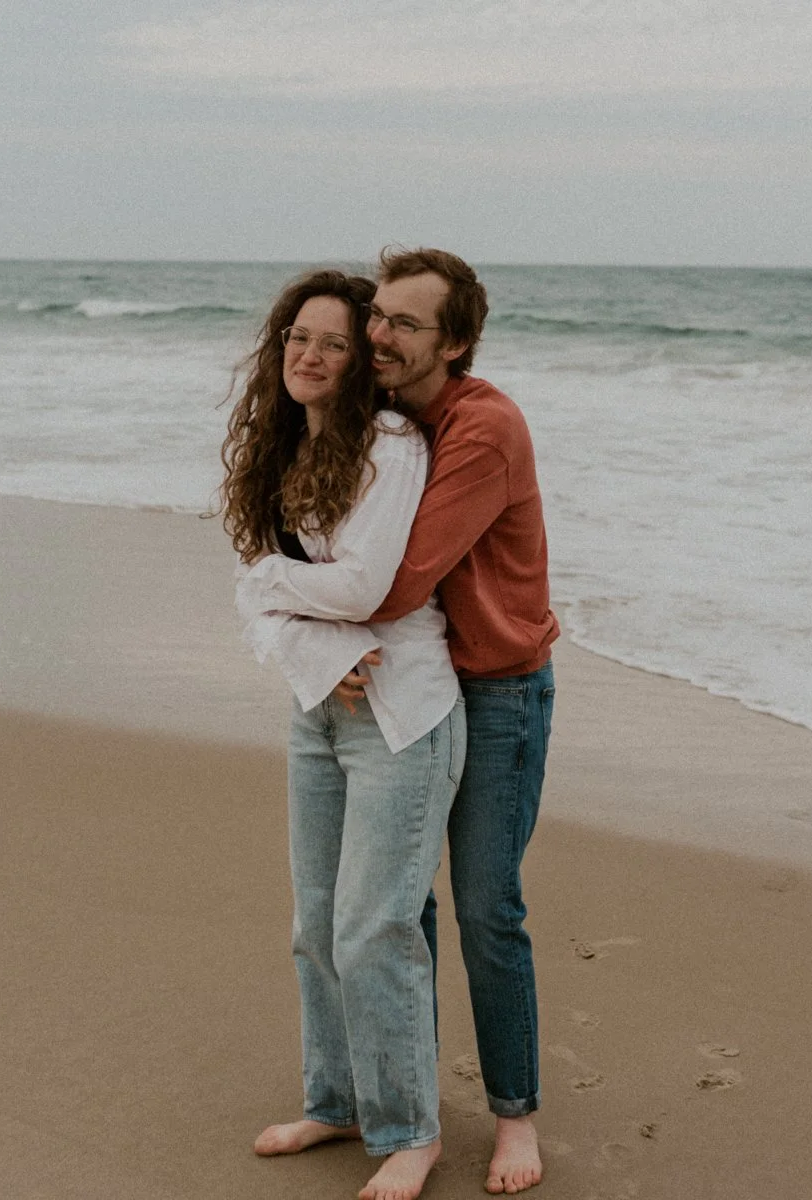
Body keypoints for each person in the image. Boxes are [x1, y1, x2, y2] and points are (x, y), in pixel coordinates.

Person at [252, 248, 560, 1196]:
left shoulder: (478, 429)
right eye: (375, 317)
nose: (378, 336)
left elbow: (393, 585)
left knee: (482, 909)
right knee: (386, 916)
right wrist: (309, 632)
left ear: (455, 344)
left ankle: (515, 1119)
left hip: (494, 687)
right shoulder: (380, 420)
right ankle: (375, 1100)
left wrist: (278, 595)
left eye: (404, 325)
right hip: (407, 680)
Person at [223, 268, 464, 1200]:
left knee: (375, 929)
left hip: (402, 717)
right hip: (318, 710)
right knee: (314, 927)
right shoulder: (282, 454)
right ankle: (337, 1101)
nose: (309, 355)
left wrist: (272, 590)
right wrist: (291, 617)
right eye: (297, 337)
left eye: (331, 341)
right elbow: (258, 600)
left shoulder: (390, 445)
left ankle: (411, 1130)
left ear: (361, 359)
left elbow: (363, 590)